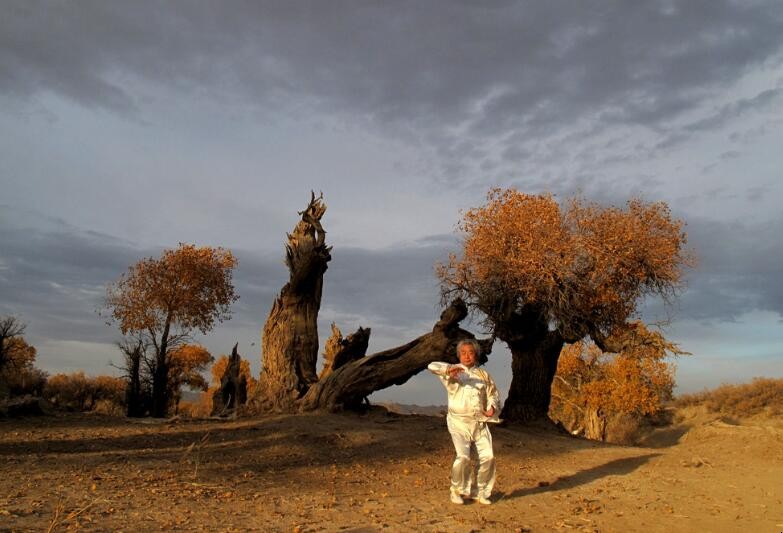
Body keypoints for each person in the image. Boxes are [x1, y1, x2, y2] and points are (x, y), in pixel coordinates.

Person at [428, 339, 500, 505]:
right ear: (459, 355)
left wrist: (492, 407)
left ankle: (481, 492)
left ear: (476, 355)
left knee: (488, 457)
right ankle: (457, 490)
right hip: (458, 422)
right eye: (463, 353)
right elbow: (431, 366)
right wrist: (448, 369)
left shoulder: (484, 375)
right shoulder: (453, 371)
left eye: (471, 352)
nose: (467, 356)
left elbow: (493, 394)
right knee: (463, 457)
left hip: (479, 422)